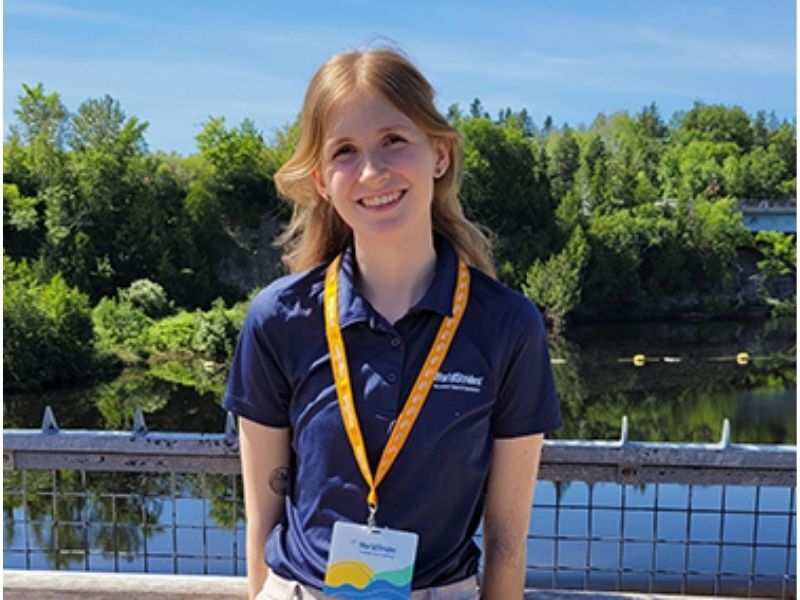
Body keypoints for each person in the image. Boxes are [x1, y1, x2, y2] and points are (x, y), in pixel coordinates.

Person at [224, 46, 562, 600]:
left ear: (440, 154)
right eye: (344, 151)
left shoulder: (508, 326)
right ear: (322, 180)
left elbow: (506, 541)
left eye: (394, 141)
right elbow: (263, 521)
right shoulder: (277, 320)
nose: (371, 171)